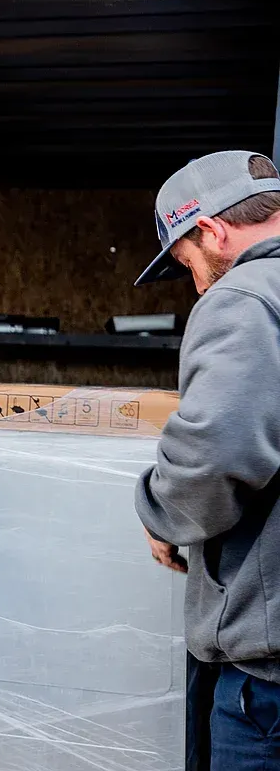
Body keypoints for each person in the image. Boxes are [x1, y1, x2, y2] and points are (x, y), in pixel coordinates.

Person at [133, 149, 280, 768]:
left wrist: (159, 514)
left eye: (189, 262)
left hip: (270, 688)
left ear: (213, 230)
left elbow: (212, 454)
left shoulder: (247, 296)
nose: (197, 284)